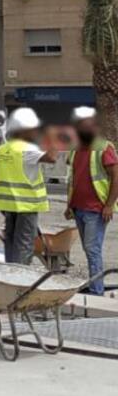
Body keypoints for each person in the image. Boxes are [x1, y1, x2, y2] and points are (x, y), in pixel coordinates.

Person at [65, 106, 117, 294]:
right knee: (90, 250)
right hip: (79, 207)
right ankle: (96, 286)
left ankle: (96, 290)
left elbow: (115, 178)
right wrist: (69, 205)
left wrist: (109, 205)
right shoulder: (76, 149)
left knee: (92, 250)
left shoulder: (104, 148)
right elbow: (72, 179)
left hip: (96, 209)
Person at [0, 107, 53, 264]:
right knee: (24, 244)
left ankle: (10, 272)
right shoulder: (28, 149)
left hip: (8, 204)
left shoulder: (1, 150)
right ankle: (20, 278)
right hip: (27, 205)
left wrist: (0, 197)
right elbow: (52, 157)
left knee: (11, 242)